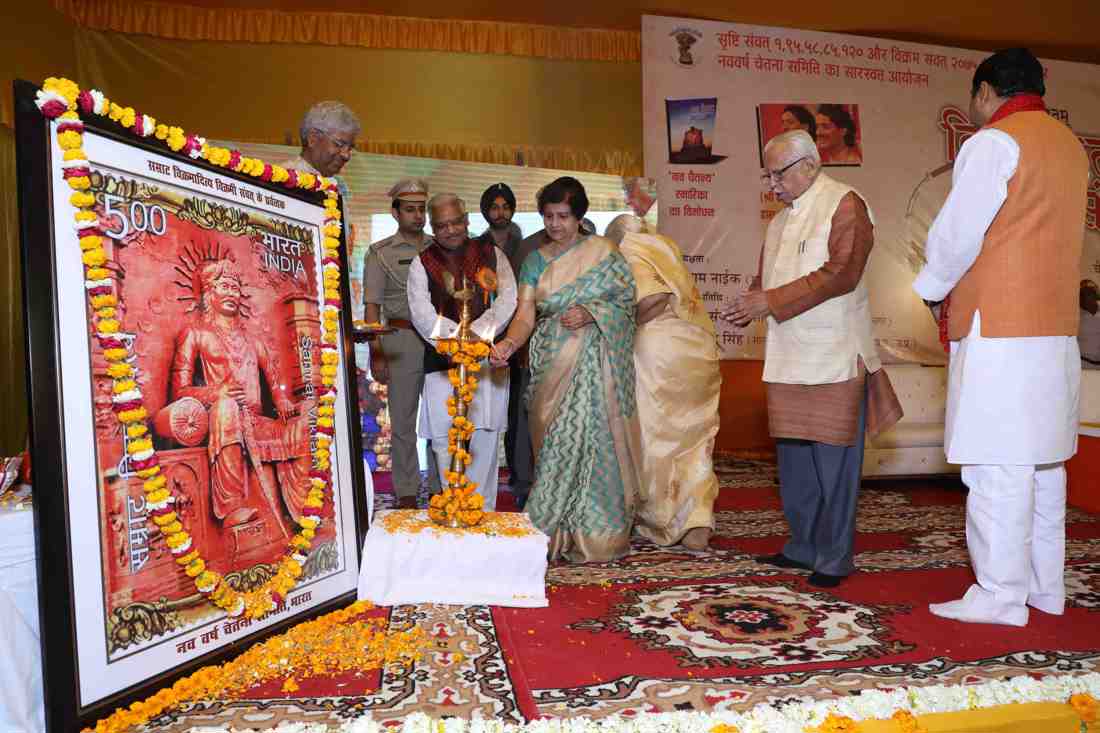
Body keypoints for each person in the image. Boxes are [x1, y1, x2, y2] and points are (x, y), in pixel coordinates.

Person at [913, 48, 1088, 626]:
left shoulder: (994, 142)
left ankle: (1000, 594)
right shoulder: (1069, 146)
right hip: (1055, 330)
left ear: (985, 92)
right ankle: (1045, 588)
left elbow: (957, 234)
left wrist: (931, 288)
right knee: (1044, 465)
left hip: (1001, 329)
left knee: (996, 465)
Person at [720, 130, 901, 588]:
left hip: (834, 357)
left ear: (810, 165)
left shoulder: (846, 203)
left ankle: (834, 559)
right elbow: (766, 283)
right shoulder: (778, 222)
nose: (772, 185)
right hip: (787, 358)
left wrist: (769, 301)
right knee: (795, 465)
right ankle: (802, 547)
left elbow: (842, 273)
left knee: (834, 465)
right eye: (767, 176)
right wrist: (748, 304)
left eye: (777, 174)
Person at [490, 177, 641, 563]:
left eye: (563, 216)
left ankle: (598, 532)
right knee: (553, 444)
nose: (555, 224)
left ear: (579, 217)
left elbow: (627, 304)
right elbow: (525, 315)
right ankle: (553, 531)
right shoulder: (535, 260)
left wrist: (593, 312)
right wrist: (509, 344)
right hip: (550, 362)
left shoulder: (604, 253)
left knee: (597, 443)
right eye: (548, 216)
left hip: (597, 365)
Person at [171, 260, 313, 538]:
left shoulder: (254, 341)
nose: (231, 293)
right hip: (220, 419)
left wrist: (289, 405)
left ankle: (304, 507)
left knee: (308, 417)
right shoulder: (195, 335)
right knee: (226, 407)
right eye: (224, 286)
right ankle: (232, 507)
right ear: (209, 292)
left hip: (257, 421)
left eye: (235, 288)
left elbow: (278, 394)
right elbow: (179, 391)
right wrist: (216, 392)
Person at [605, 215, 720, 551]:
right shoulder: (665, 247)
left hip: (660, 354)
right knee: (696, 439)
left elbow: (653, 298)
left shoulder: (630, 249)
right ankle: (698, 518)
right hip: (698, 348)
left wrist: (624, 326)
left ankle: (664, 519)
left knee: (659, 440)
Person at [408, 194, 517, 510]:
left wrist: (479, 333)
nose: (450, 230)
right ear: (432, 227)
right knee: (444, 440)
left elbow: (508, 298)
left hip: (486, 359)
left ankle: (483, 512)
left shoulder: (492, 254)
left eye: (456, 222)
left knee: (485, 436)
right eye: (442, 225)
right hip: (442, 362)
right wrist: (456, 339)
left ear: (467, 220)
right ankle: (453, 509)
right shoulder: (422, 261)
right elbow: (420, 312)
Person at [363, 179, 434, 509]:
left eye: (422, 209)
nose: (418, 216)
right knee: (404, 422)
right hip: (401, 339)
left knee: (439, 418)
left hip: (438, 342)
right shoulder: (381, 252)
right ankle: (406, 492)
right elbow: (372, 309)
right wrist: (376, 353)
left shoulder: (439, 246)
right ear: (395, 213)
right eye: (410, 210)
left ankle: (440, 487)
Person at [475, 183, 533, 506]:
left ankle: (520, 480)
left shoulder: (526, 247)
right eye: (494, 207)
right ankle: (475, 481)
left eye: (505, 206)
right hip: (484, 335)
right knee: (482, 409)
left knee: (518, 412)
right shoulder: (476, 247)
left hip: (518, 337)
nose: (500, 212)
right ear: (485, 211)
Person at [280, 101, 360, 190]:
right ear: (313, 139)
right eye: (339, 144)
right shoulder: (284, 180)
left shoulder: (338, 184)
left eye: (350, 148)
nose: (346, 156)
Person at [1080, 280, 1100, 369]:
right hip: (1082, 365)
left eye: (1091, 292)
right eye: (1083, 293)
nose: (1086, 296)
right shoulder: (1074, 316)